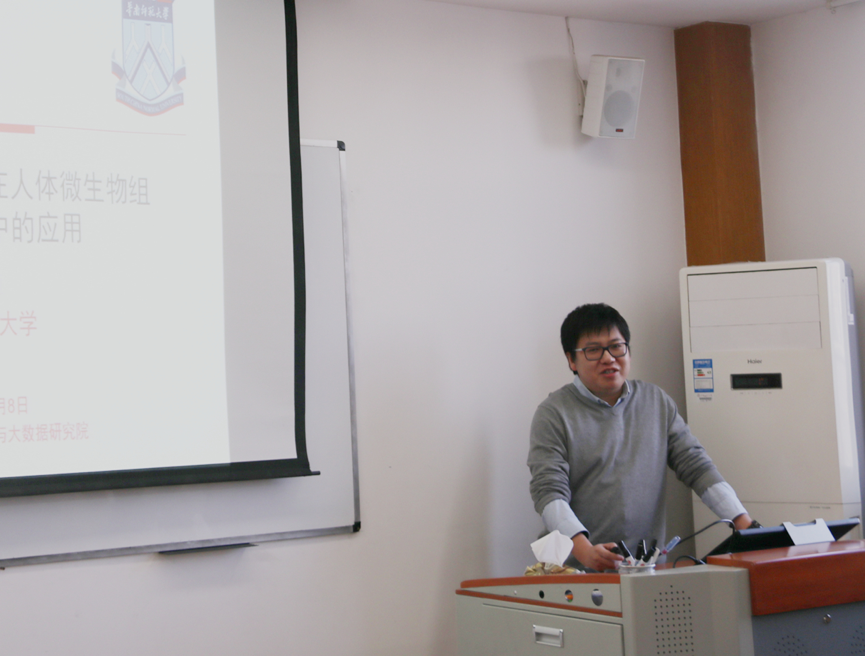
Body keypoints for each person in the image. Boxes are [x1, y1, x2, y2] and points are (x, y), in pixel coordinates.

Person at [527, 303, 754, 572]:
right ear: (571, 360)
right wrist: (585, 550)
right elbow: (549, 492)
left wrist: (745, 525)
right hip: (574, 571)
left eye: (616, 346)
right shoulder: (553, 413)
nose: (608, 358)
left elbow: (696, 466)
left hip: (645, 570)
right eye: (593, 350)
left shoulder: (655, 401)